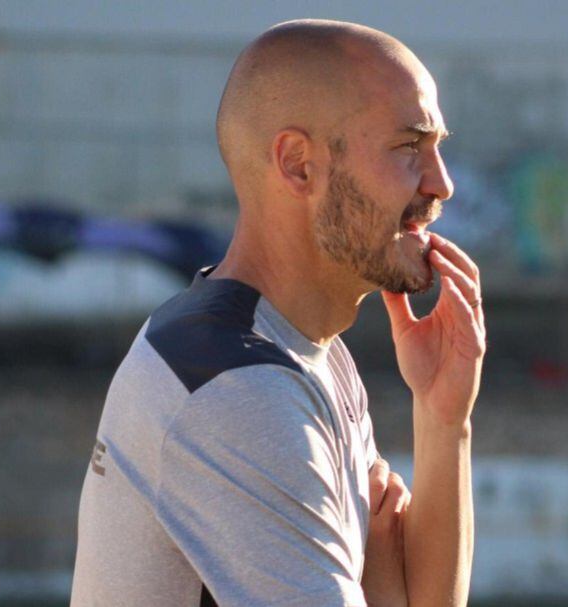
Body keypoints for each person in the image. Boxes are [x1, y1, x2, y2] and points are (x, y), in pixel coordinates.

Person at [71, 18, 485, 607]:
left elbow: (425, 598)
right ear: (298, 164)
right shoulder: (238, 390)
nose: (441, 184)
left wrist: (444, 419)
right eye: (407, 146)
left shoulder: (293, 350)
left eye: (437, 148)